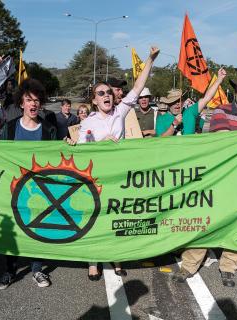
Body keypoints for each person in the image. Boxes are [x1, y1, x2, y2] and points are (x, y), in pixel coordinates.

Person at [172, 71, 237, 287]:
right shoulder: (221, 111)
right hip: (220, 179)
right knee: (206, 220)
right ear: (235, 90)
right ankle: (189, 265)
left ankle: (229, 267)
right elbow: (223, 142)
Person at [77, 46, 160, 280]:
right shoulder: (87, 122)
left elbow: (137, 88)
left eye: (108, 93)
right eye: (100, 93)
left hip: (119, 177)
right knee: (93, 218)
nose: (106, 96)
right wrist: (102, 142)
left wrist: (150, 60)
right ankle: (92, 262)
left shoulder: (120, 112)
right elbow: (82, 151)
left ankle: (117, 259)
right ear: (94, 101)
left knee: (115, 217)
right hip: (95, 178)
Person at [0, 78, 56, 290]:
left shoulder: (49, 129)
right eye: (29, 100)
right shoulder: (10, 128)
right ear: (21, 103)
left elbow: (58, 157)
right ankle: (9, 270)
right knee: (12, 230)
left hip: (40, 190)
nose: (33, 104)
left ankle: (37, 269)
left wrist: (69, 143)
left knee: (36, 229)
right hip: (13, 189)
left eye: (37, 100)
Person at [156, 68, 227, 136]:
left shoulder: (189, 112)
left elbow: (206, 98)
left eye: (179, 101)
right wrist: (174, 124)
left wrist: (219, 79)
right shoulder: (161, 119)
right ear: (168, 104)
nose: (177, 103)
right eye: (173, 102)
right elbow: (160, 140)